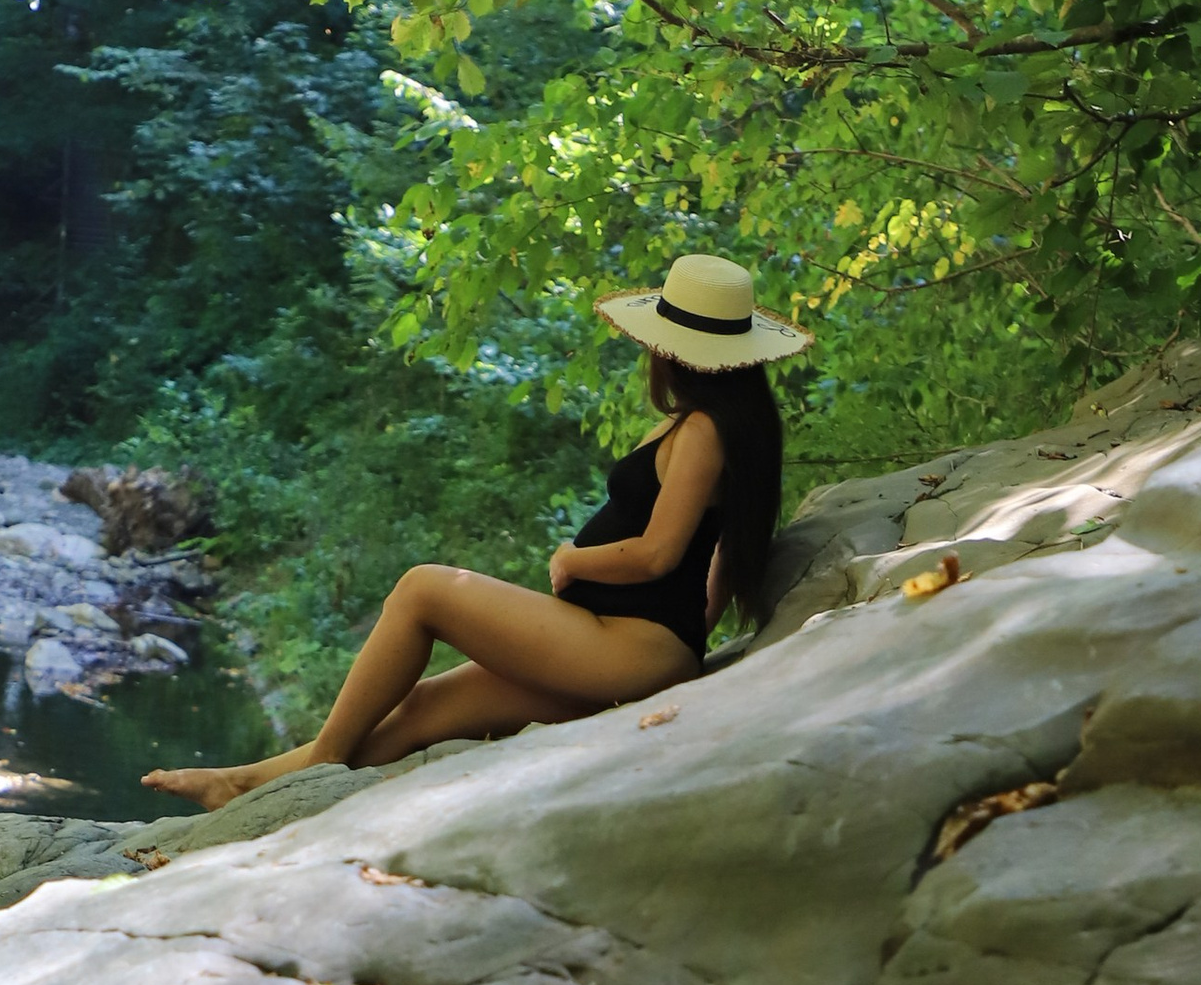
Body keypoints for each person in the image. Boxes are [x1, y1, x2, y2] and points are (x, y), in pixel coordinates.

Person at [141, 250, 809, 809]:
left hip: (629, 651)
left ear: (675, 351)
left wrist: (576, 563)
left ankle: (315, 766)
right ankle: (247, 785)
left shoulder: (703, 432)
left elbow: (661, 553)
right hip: (617, 644)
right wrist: (695, 635)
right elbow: (721, 553)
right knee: (421, 709)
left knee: (423, 589)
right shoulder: (722, 425)